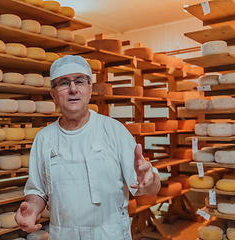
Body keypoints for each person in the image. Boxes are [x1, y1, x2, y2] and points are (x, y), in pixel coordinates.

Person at [15, 55, 161, 240]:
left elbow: (149, 188)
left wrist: (151, 180)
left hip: (109, 235)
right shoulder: (44, 139)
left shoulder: (114, 131)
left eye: (80, 81)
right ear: (53, 94)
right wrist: (32, 209)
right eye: (64, 83)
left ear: (90, 89)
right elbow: (37, 191)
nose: (73, 89)